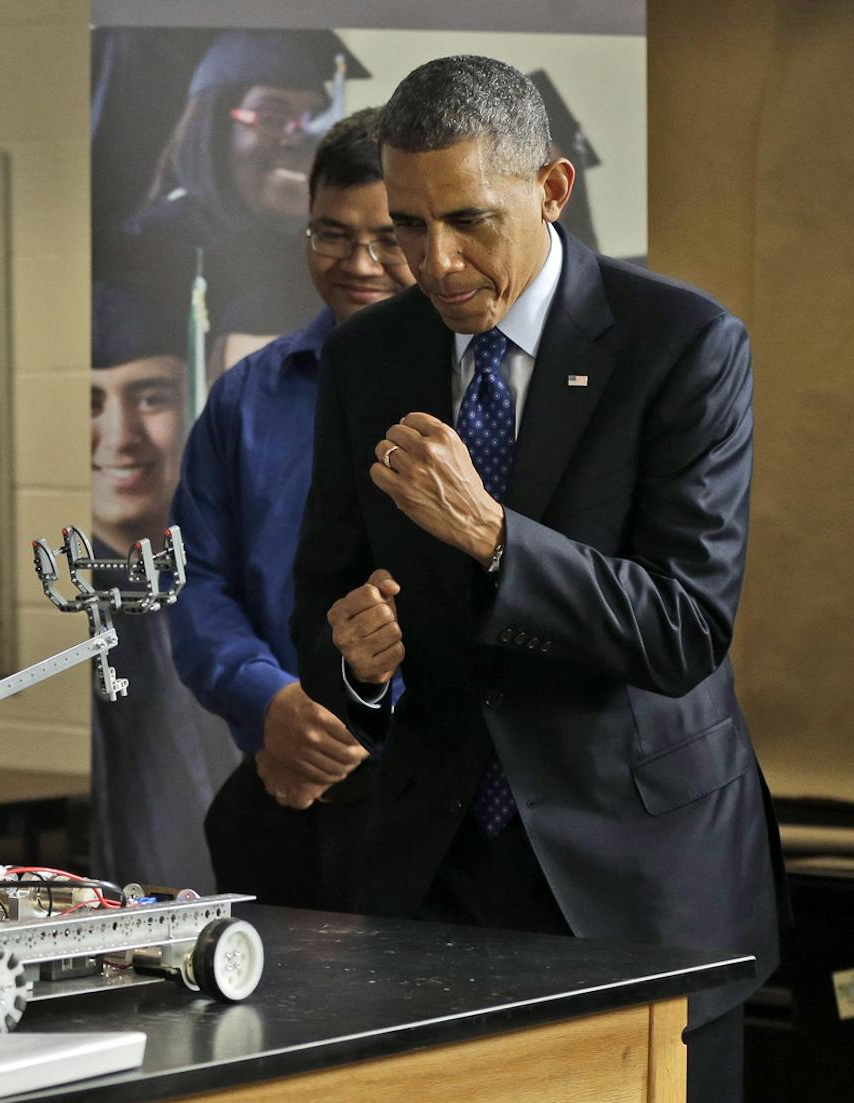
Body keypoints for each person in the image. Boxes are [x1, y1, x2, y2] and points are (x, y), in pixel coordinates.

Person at [292, 56, 776, 1097]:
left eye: (469, 220)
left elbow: (685, 629)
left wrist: (495, 535)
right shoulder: (367, 356)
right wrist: (357, 665)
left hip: (638, 882)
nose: (435, 260)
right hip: (433, 876)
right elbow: (324, 598)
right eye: (409, 225)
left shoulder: (684, 344)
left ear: (552, 189)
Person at [170, 109, 414, 909]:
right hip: (279, 794)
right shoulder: (248, 396)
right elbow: (195, 579)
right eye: (331, 234)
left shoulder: (482, 398)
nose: (360, 263)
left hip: (432, 810)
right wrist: (270, 702)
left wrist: (345, 730)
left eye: (388, 236)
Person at [87, 284, 238, 891]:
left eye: (151, 398)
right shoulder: (63, 615)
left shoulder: (238, 586)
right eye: (88, 402)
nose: (122, 437)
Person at [98, 31, 368, 360]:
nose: (299, 137)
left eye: (316, 119)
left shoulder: (337, 254)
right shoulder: (143, 252)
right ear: (212, 132)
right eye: (272, 118)